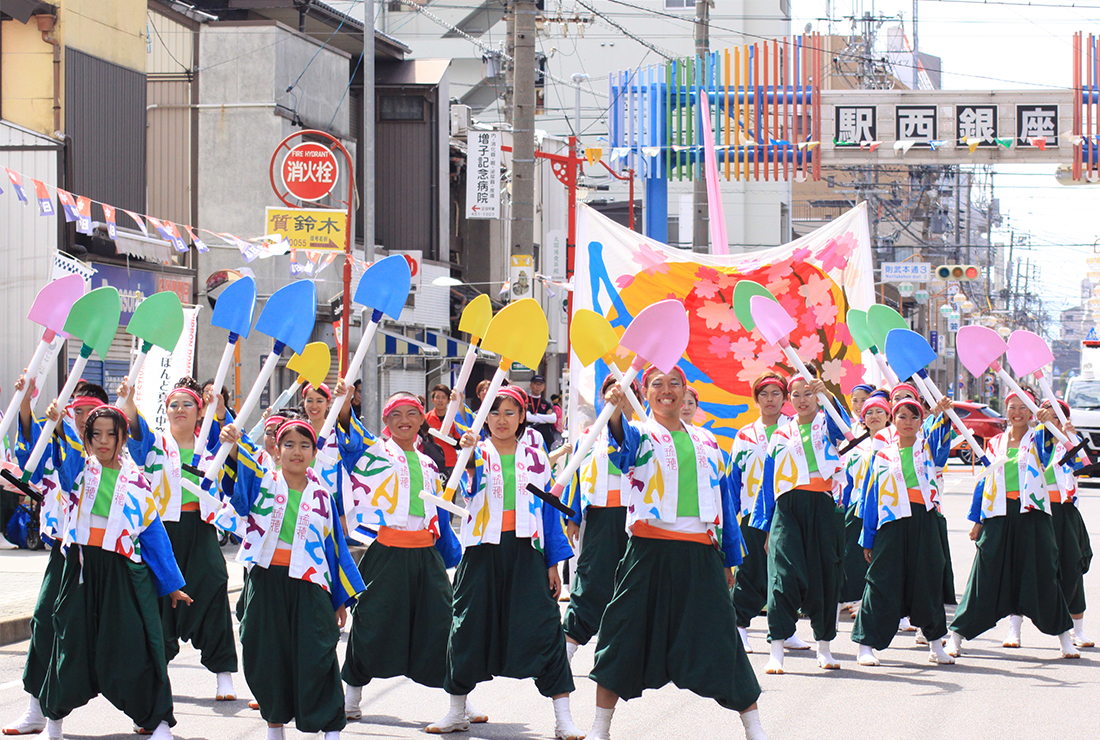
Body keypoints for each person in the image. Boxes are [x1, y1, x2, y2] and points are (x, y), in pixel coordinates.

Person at [587, 367, 766, 740]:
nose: (666, 391)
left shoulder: (708, 442)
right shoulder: (641, 434)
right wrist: (617, 410)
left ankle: (754, 729)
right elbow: (621, 441)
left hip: (700, 554)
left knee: (723, 638)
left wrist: (730, 557)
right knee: (622, 635)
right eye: (657, 384)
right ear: (647, 393)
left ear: (685, 391)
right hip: (648, 552)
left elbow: (724, 502)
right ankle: (600, 728)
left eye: (674, 384)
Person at [433, 386, 582, 740]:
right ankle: (456, 711)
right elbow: (457, 487)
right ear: (485, 418)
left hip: (527, 553)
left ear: (522, 418)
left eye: (510, 412)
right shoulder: (476, 451)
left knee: (546, 629)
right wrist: (464, 450)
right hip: (483, 552)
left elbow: (548, 512)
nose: (502, 420)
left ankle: (564, 719)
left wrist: (552, 562)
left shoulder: (535, 456)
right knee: (466, 628)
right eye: (495, 412)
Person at [39, 403, 191, 740]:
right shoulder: (79, 471)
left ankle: (158, 721)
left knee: (134, 647)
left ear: (123, 438)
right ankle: (53, 723)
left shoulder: (137, 482)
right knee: (70, 644)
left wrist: (171, 584)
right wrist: (56, 426)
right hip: (80, 570)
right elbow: (61, 467)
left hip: (123, 573)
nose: (104, 441)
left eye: (112, 434)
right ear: (87, 438)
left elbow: (154, 536)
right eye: (96, 434)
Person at [216, 408, 366, 740]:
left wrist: (338, 600)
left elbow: (334, 550)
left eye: (303, 445)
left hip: (311, 585)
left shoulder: (323, 496)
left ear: (314, 453)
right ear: (276, 449)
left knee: (318, 653)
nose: (296, 451)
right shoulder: (263, 483)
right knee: (264, 654)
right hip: (266, 580)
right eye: (288, 444)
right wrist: (231, 444)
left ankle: (330, 728)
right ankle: (274, 727)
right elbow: (237, 490)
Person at [336, 389, 466, 728]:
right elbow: (349, 442)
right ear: (386, 421)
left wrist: (449, 552)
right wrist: (346, 404)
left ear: (422, 419)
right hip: (387, 551)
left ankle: (459, 706)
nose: (404, 421)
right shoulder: (375, 453)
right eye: (396, 415)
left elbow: (438, 514)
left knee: (444, 624)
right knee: (370, 621)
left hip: (425, 553)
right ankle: (351, 698)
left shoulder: (428, 461)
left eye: (411, 414)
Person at [117, 377, 239, 701]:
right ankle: (155, 677)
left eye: (187, 404)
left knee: (213, 585)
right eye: (173, 404)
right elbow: (134, 423)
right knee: (158, 601)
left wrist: (222, 414)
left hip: (199, 529)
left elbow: (229, 452)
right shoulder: (154, 444)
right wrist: (128, 399)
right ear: (166, 411)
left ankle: (223, 674)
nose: (179, 409)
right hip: (160, 531)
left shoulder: (209, 446)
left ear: (200, 412)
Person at [948, 391, 1078, 659]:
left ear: (1031, 412)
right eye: (1011, 407)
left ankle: (1065, 639)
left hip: (1032, 515)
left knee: (1043, 574)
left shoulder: (1039, 437)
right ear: (1005, 410)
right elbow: (983, 482)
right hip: (997, 515)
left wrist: (1046, 423)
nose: (1016, 412)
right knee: (983, 575)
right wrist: (977, 520)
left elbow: (1049, 449)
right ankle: (956, 636)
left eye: (1022, 407)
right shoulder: (994, 443)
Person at [2, 373, 86, 738]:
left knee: (127, 634)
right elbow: (31, 458)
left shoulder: (119, 456)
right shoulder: (61, 444)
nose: (84, 419)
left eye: (92, 412)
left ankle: (152, 714)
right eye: (77, 411)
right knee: (46, 623)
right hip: (65, 553)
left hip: (111, 557)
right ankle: (40, 711)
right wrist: (25, 403)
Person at [852, 396, 957, 666]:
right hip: (891, 522)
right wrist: (869, 537)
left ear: (922, 421)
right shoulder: (883, 455)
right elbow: (870, 496)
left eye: (914, 417)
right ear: (892, 421)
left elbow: (943, 431)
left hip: (925, 520)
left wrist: (944, 413)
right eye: (902, 416)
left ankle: (935, 643)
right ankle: (866, 644)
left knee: (928, 580)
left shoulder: (929, 448)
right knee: (881, 581)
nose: (908, 422)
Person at [763, 373, 849, 674]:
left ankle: (824, 646)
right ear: (789, 400)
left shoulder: (828, 424)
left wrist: (830, 397)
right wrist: (766, 524)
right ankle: (777, 648)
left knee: (825, 575)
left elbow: (846, 430)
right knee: (783, 577)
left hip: (822, 506)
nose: (802, 400)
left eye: (808, 394)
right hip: (787, 508)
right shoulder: (780, 434)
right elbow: (767, 480)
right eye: (796, 395)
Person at [561, 375, 643, 660]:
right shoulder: (589, 435)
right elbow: (578, 478)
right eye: (610, 392)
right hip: (600, 518)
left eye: (625, 392)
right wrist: (573, 517)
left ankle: (627, 653)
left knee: (634, 583)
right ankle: (567, 647)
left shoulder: (645, 433)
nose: (616, 396)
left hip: (638, 519)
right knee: (592, 581)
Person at [728, 372, 805, 654]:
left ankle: (786, 630)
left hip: (789, 512)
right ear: (756, 399)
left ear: (785, 398)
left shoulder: (796, 428)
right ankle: (739, 626)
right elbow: (734, 477)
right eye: (764, 394)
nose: (770, 400)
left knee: (787, 573)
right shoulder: (745, 435)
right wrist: (730, 517)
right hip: (753, 512)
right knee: (751, 572)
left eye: (776, 394)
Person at [1035, 399, 1093, 649]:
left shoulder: (1069, 442)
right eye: (1048, 416)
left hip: (1066, 512)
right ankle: (1015, 629)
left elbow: (1082, 467)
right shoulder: (1032, 439)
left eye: (1058, 417)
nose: (1053, 422)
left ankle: (1077, 629)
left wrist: (1070, 437)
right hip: (1038, 512)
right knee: (1032, 570)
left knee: (1072, 568)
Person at [837, 393, 890, 615]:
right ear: (862, 419)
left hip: (888, 508)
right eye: (869, 412)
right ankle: (855, 597)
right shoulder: (856, 448)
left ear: (888, 416)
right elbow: (848, 481)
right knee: (855, 555)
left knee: (883, 556)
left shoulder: (895, 444)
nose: (874, 416)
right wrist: (845, 506)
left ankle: (878, 601)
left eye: (879, 411)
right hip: (858, 507)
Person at [424, 384, 458, 475]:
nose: (440, 400)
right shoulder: (426, 418)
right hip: (431, 462)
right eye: (437, 397)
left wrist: (451, 438)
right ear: (432, 400)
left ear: (448, 400)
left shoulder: (454, 418)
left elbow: (460, 444)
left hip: (450, 462)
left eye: (443, 397)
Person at [526, 375, 557, 451]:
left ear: (544, 387)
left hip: (546, 437)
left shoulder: (546, 403)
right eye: (536, 384)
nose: (538, 387)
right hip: (529, 436)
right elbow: (527, 417)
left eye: (540, 385)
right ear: (531, 386)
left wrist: (537, 415)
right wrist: (545, 418)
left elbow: (553, 419)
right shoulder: (526, 400)